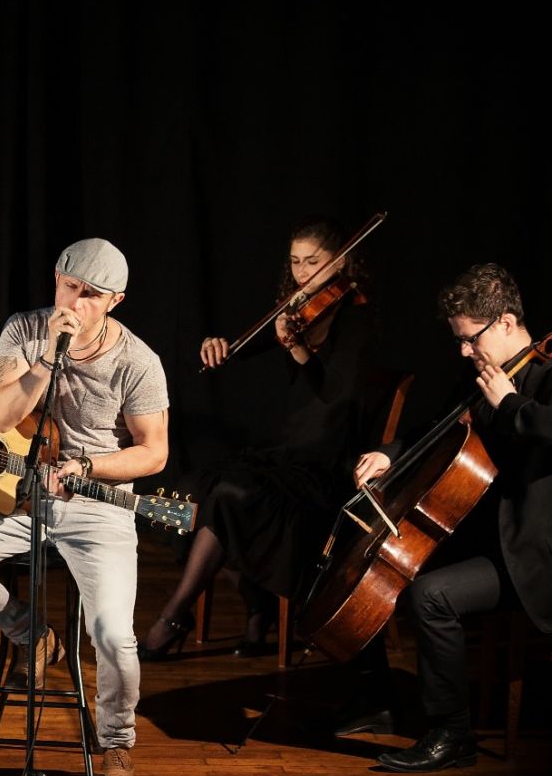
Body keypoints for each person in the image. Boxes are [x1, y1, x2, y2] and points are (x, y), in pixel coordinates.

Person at [0, 239, 169, 776]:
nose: (75, 303)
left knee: (113, 635)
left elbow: (154, 453)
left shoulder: (138, 361)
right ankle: (32, 634)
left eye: (91, 295)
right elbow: (0, 415)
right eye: (69, 287)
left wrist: (89, 466)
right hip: (21, 496)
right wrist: (45, 361)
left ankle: (117, 744)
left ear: (115, 301)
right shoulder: (25, 330)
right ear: (57, 277)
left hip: (97, 505)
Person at [351, 264, 552, 772]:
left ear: (505, 322)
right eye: (459, 340)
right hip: (482, 540)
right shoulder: (482, 378)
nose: (464, 351)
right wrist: (390, 454)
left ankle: (451, 735)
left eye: (470, 339)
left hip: (532, 558)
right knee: (384, 568)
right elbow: (434, 429)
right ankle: (379, 701)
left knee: (431, 594)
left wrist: (510, 404)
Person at [138, 217, 381, 662]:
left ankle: (175, 615)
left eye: (313, 262)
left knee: (229, 496)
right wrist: (221, 346)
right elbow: (247, 345)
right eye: (295, 262)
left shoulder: (357, 315)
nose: (302, 272)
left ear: (341, 261)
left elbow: (334, 393)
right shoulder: (299, 309)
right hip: (288, 453)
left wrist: (296, 347)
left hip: (327, 462)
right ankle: (257, 605)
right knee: (188, 493)